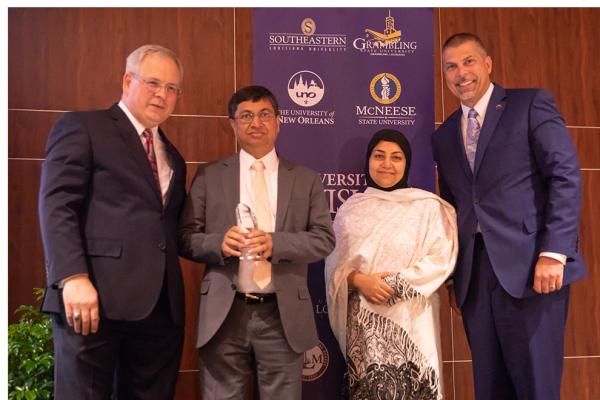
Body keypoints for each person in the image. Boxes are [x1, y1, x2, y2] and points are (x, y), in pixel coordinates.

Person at [432, 32, 587, 400]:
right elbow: (452, 206)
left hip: (532, 269)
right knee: (490, 388)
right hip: (475, 278)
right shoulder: (444, 137)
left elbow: (564, 176)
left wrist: (554, 252)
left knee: (536, 386)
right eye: (450, 67)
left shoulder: (529, 104)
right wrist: (455, 278)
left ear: (487, 64)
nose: (460, 73)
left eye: (468, 61)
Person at [38, 44, 187, 399]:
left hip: (160, 310)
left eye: (172, 89)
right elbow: (57, 204)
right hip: (92, 301)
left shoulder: (175, 157)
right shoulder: (83, 127)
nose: (162, 94)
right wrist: (72, 277)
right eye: (153, 82)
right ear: (127, 80)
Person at [178, 85, 335, 399]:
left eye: (265, 114)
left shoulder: (305, 179)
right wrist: (219, 243)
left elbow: (324, 240)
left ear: (278, 122)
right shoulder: (209, 176)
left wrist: (276, 244)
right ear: (233, 125)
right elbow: (185, 238)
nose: (256, 123)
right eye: (245, 116)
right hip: (224, 313)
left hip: (282, 313)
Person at [325, 129, 458, 400]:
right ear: (368, 161)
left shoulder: (427, 208)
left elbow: (441, 259)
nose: (387, 164)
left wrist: (389, 285)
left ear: (406, 163)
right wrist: (361, 281)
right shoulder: (351, 209)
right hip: (365, 325)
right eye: (379, 156)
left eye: (396, 157)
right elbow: (333, 267)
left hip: (413, 323)